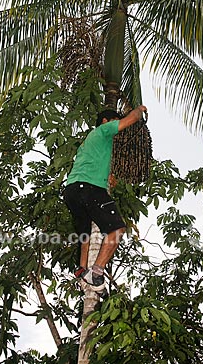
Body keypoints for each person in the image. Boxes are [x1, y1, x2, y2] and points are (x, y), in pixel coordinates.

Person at [64, 105, 147, 292]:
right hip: (90, 188)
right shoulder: (103, 129)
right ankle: (96, 272)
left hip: (72, 191)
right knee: (117, 229)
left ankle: (81, 270)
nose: (115, 125)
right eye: (113, 120)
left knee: (84, 233)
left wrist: (107, 177)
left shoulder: (89, 142)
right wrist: (139, 109)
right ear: (105, 121)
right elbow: (131, 119)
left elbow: (93, 163)